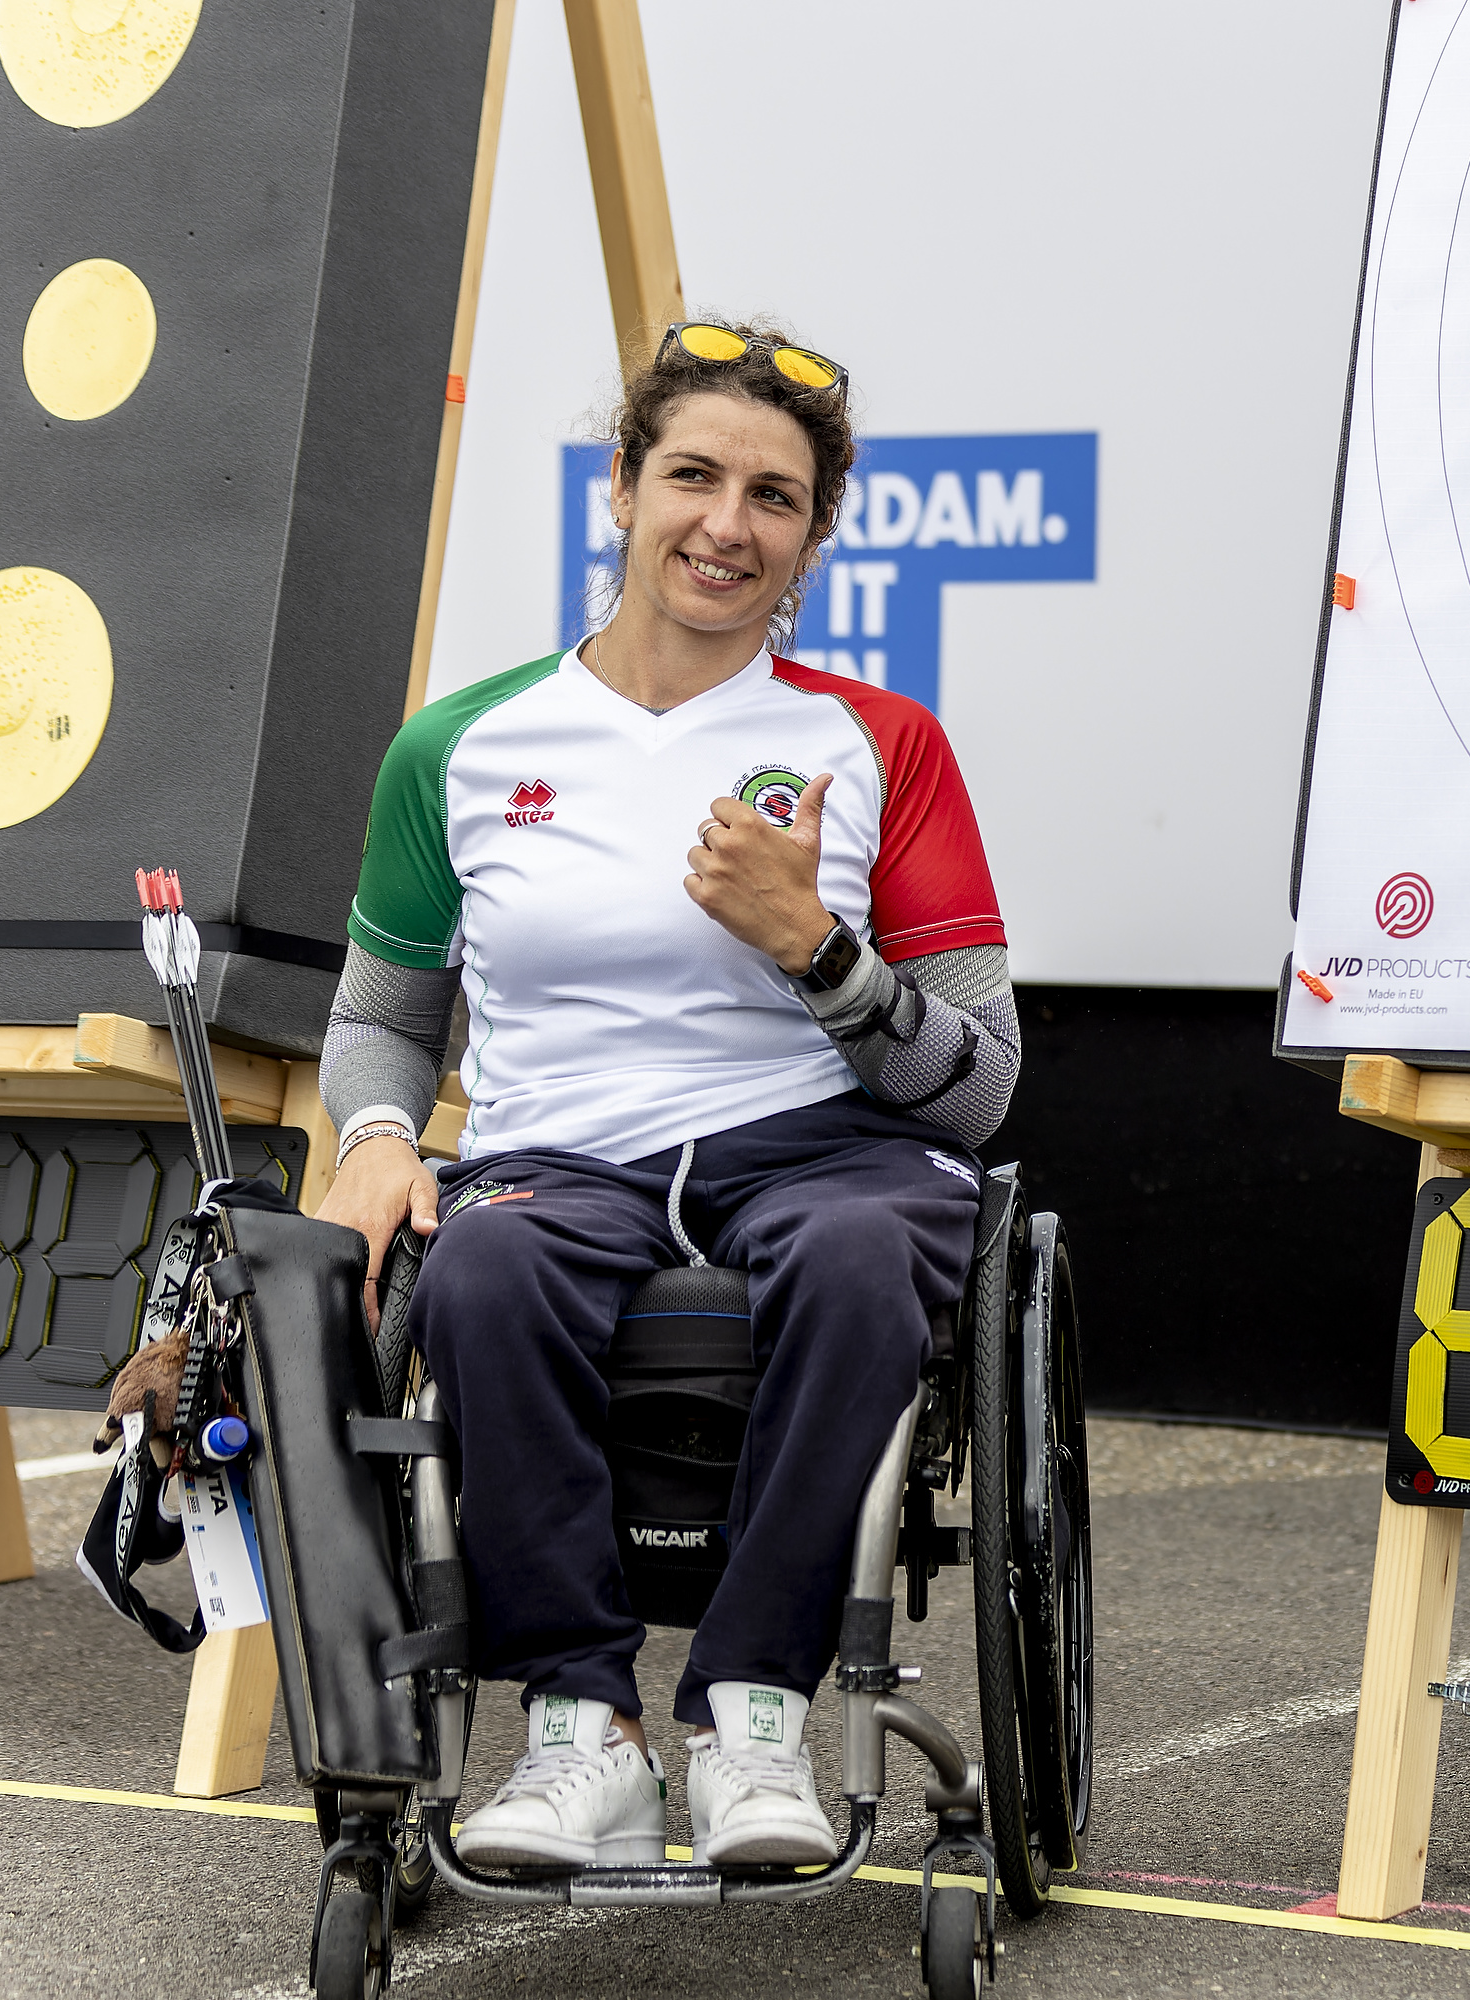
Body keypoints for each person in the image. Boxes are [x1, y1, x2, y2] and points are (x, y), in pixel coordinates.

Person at [316, 317, 1017, 1869]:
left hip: (818, 1152)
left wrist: (817, 951)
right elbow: (381, 1019)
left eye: (774, 496)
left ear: (815, 537)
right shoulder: (459, 747)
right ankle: (582, 1729)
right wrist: (372, 1134)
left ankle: (753, 1712)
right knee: (482, 1269)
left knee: (854, 1256)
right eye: (691, 474)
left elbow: (979, 1095)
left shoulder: (882, 743)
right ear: (622, 487)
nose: (727, 522)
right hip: (558, 1156)